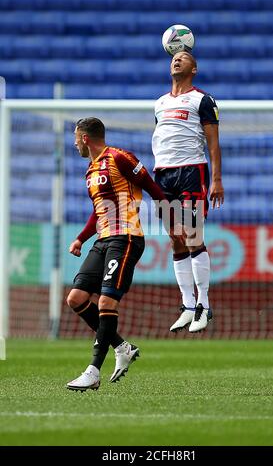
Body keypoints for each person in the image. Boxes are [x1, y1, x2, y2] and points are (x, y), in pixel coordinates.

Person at [66, 117, 167, 391]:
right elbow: (98, 211)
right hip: (103, 239)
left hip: (126, 238)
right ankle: (122, 347)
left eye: (76, 137)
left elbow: (152, 188)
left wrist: (174, 219)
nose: (74, 143)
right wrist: (80, 238)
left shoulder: (120, 158)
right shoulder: (90, 170)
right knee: (75, 298)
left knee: (106, 304)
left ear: (85, 137)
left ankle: (93, 372)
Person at [152, 51, 225, 334]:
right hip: (163, 174)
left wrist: (216, 179)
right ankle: (187, 305)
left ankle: (204, 306)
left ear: (194, 69)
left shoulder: (203, 100)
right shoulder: (159, 103)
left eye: (183, 58)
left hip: (191, 171)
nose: (176, 60)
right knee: (175, 239)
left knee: (194, 237)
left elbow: (213, 144)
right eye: (174, 58)